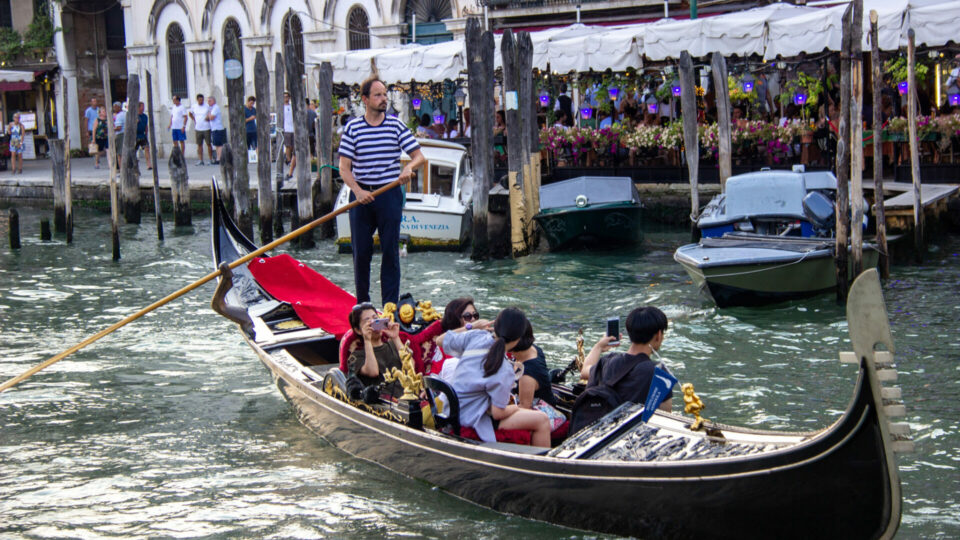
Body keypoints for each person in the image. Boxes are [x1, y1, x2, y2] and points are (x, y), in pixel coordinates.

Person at [338, 77, 425, 306]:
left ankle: (389, 307)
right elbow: (344, 169)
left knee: (390, 253)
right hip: (361, 197)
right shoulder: (353, 128)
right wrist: (357, 191)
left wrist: (408, 167)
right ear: (365, 99)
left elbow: (419, 157)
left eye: (385, 94)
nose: (384, 99)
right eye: (378, 95)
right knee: (362, 254)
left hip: (388, 195)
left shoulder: (395, 125)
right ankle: (363, 306)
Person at [437, 307, 551, 447]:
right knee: (542, 420)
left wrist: (471, 326)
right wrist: (516, 408)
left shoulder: (475, 336)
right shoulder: (504, 369)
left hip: (453, 409)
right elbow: (498, 413)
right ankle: (540, 466)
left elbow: (440, 340)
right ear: (518, 339)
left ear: (496, 327)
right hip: (474, 419)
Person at [572, 307, 673, 434]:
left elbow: (584, 371)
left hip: (597, 436)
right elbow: (665, 416)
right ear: (658, 335)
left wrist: (599, 346)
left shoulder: (608, 361)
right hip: (629, 439)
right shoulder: (659, 372)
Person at [346, 302, 405, 399]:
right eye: (367, 320)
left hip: (407, 396)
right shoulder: (356, 356)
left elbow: (411, 366)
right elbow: (373, 372)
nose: (373, 322)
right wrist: (367, 340)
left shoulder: (392, 345)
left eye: (375, 318)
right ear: (358, 330)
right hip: (384, 402)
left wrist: (395, 337)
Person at [435, 297, 492, 379]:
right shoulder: (445, 344)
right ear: (456, 319)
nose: (473, 319)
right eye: (468, 316)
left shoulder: (485, 338)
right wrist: (471, 326)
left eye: (475, 315)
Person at [189, 94, 211, 165]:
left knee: (208, 143)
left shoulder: (207, 106)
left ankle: (210, 159)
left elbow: (210, 113)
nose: (201, 101)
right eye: (200, 100)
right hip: (198, 128)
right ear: (197, 100)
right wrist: (194, 119)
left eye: (202, 100)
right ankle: (200, 159)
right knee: (199, 144)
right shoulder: (194, 106)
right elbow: (190, 113)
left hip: (206, 127)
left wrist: (208, 118)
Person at [207, 96, 225, 164]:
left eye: (210, 101)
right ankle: (218, 157)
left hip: (218, 128)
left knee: (219, 144)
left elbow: (211, 117)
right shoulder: (211, 108)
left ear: (213, 101)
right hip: (214, 128)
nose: (208, 102)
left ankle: (219, 158)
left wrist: (209, 114)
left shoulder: (215, 107)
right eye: (208, 101)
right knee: (216, 144)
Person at [135, 102, 152, 170]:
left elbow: (146, 126)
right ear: (138, 107)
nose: (143, 108)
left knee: (146, 148)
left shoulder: (145, 116)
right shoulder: (135, 116)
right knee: (134, 150)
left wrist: (146, 134)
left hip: (142, 135)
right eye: (142, 106)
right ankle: (134, 163)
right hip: (136, 135)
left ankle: (148, 164)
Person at [282, 91, 295, 179]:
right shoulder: (281, 107)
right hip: (286, 128)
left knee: (293, 146)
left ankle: (290, 158)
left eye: (287, 97)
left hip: (293, 128)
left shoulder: (291, 107)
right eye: (285, 97)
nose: (286, 98)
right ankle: (288, 159)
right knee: (288, 145)